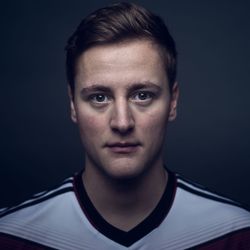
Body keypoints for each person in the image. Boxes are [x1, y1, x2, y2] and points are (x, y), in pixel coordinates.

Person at [0, 2, 250, 249]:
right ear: (73, 105)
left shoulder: (236, 235)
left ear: (172, 102)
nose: (122, 122)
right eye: (99, 97)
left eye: (142, 95)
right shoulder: (12, 236)